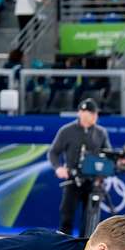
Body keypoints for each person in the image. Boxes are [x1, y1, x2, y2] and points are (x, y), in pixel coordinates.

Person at [48, 99, 112, 236]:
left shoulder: (101, 132)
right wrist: (58, 168)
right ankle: (63, 248)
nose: (95, 116)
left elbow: (108, 155)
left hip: (93, 182)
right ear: (81, 113)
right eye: (92, 113)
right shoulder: (66, 131)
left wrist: (107, 168)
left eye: (96, 113)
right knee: (66, 217)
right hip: (72, 180)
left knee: (90, 220)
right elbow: (53, 152)